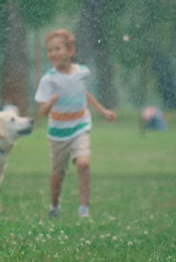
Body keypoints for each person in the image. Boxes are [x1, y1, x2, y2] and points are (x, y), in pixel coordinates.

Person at [34, 29, 116, 218]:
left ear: (71, 51)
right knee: (58, 174)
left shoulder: (81, 72)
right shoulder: (48, 79)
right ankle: (54, 206)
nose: (53, 53)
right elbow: (42, 112)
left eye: (58, 49)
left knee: (83, 164)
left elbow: (83, 93)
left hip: (80, 125)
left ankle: (83, 210)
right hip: (58, 132)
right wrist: (51, 103)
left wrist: (103, 111)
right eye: (50, 50)